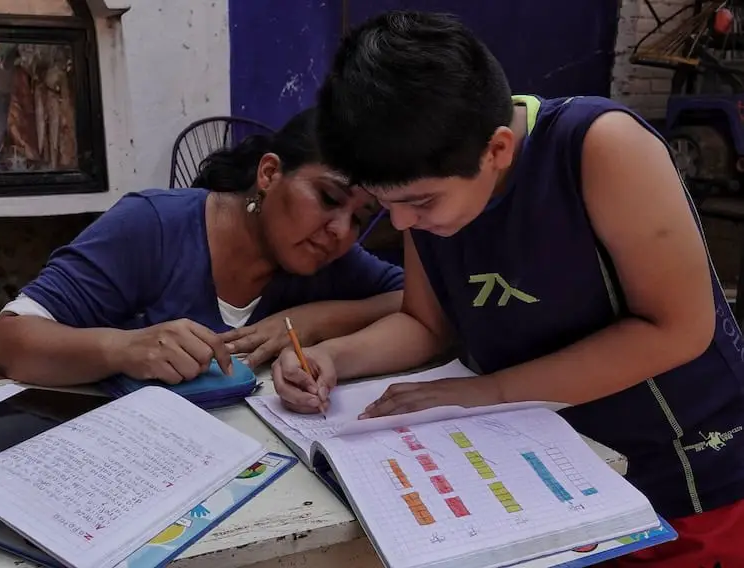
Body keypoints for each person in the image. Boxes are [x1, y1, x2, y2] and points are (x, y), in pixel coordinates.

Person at [272, 11, 744, 567]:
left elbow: (678, 329)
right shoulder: (431, 187)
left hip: (681, 474)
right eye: (386, 205)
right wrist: (330, 357)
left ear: (497, 150)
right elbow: (425, 325)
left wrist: (488, 392)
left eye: (419, 203)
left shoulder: (597, 147)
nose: (400, 226)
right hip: (547, 470)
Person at [0, 108, 403, 387]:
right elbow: (6, 344)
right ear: (270, 174)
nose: (340, 231)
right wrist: (123, 348)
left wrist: (314, 320)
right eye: (328, 198)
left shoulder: (331, 259)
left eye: (361, 218)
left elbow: (415, 304)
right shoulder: (153, 227)